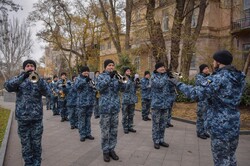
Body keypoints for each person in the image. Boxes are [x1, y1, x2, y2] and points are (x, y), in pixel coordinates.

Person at [170, 50, 246, 166]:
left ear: (219, 62)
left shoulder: (218, 78)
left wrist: (178, 84)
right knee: (231, 156)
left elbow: (196, 93)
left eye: (214, 60)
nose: (213, 62)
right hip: (234, 121)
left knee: (221, 159)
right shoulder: (239, 76)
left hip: (220, 123)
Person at [4, 59, 51, 166]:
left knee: (36, 143)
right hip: (22, 118)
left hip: (36, 118)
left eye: (32, 66)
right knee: (25, 144)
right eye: (28, 66)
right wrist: (22, 77)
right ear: (24, 68)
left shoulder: (40, 80)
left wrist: (39, 81)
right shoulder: (18, 79)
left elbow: (48, 93)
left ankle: (37, 163)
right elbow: (7, 86)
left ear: (35, 68)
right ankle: (28, 163)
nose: (30, 67)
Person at [96, 59, 125, 162]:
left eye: (112, 65)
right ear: (105, 67)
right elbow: (99, 88)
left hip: (115, 108)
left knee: (114, 131)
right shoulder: (100, 76)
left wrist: (121, 82)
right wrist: (109, 77)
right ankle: (105, 151)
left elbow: (122, 89)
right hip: (105, 108)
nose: (111, 67)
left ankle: (112, 149)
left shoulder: (116, 77)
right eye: (109, 65)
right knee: (105, 131)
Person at [151, 62, 172, 149]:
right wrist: (166, 76)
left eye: (163, 66)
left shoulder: (166, 76)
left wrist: (173, 78)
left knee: (163, 124)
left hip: (165, 104)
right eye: (160, 67)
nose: (163, 68)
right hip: (157, 104)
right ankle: (156, 141)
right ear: (156, 69)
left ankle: (161, 139)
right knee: (156, 124)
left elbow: (171, 88)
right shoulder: (153, 77)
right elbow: (159, 84)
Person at [74, 66, 95, 142]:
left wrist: (93, 84)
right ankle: (82, 135)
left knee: (88, 119)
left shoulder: (90, 79)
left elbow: (94, 88)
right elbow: (76, 87)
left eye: (87, 71)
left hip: (90, 103)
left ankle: (88, 133)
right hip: (82, 103)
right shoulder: (78, 79)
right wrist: (85, 81)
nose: (86, 72)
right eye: (85, 71)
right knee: (81, 120)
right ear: (81, 72)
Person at [195, 64, 210, 139]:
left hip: (207, 100)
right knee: (200, 117)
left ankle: (204, 131)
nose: (207, 70)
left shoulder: (207, 77)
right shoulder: (199, 77)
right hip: (201, 100)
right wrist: (210, 80)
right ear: (202, 70)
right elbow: (206, 84)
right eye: (205, 69)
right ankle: (199, 132)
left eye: (207, 68)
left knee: (206, 117)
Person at [121, 67, 138, 134]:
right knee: (125, 114)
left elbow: (135, 89)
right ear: (125, 72)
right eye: (127, 71)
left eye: (129, 71)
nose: (129, 72)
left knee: (131, 114)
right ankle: (125, 127)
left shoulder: (131, 78)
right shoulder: (123, 78)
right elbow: (123, 88)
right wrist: (128, 82)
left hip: (132, 99)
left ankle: (130, 126)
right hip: (126, 99)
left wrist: (136, 83)